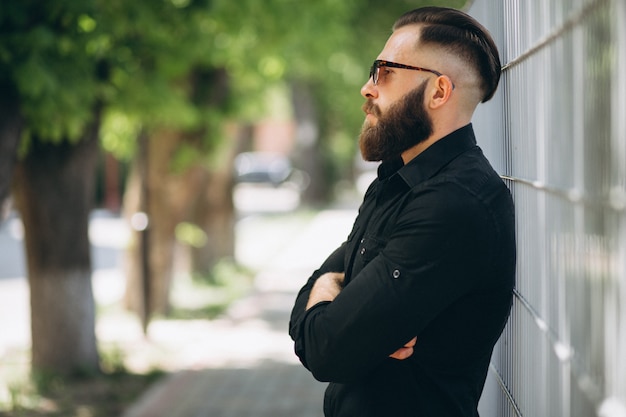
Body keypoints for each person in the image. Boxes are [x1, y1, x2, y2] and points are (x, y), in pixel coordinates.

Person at [289, 6, 516, 417]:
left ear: (439, 92)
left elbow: (326, 350)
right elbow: (312, 322)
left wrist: (337, 304)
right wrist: (330, 291)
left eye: (384, 72)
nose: (367, 88)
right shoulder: (394, 181)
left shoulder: (456, 203)